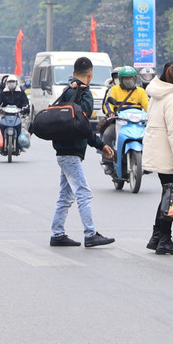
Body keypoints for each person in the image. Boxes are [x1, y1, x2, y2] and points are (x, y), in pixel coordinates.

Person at [49, 56, 116, 249]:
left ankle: (57, 233)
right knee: (84, 193)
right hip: (71, 152)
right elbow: (83, 125)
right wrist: (100, 144)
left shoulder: (66, 91)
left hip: (62, 149)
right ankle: (90, 234)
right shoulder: (84, 94)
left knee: (66, 194)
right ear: (90, 74)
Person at [143, 60, 173, 255]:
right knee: (170, 198)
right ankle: (165, 239)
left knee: (167, 195)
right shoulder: (171, 98)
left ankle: (157, 236)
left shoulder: (156, 95)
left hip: (159, 152)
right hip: (168, 155)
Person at [99, 66, 149, 174]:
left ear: (135, 79)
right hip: (119, 121)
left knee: (151, 136)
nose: (128, 81)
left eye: (130, 78)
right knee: (107, 134)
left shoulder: (140, 91)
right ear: (121, 79)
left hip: (137, 122)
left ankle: (148, 161)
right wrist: (110, 112)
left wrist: (151, 114)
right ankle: (107, 162)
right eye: (126, 79)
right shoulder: (114, 90)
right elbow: (108, 104)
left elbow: (147, 106)